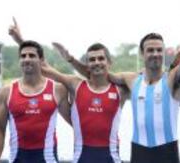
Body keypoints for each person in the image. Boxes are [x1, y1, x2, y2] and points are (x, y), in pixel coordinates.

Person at [71, 0, 180, 163]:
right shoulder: (131, 80)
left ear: (163, 52)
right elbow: (97, 72)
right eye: (150, 50)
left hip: (167, 152)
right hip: (139, 152)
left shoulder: (173, 80)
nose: (155, 54)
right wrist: (71, 60)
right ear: (142, 53)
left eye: (159, 50)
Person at [9, 21, 129, 163]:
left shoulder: (121, 90)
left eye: (101, 58)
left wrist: (71, 60)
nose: (97, 62)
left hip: (111, 158)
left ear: (110, 62)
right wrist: (21, 41)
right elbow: (43, 67)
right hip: (81, 158)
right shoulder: (75, 85)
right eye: (92, 60)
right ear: (87, 65)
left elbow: (147, 81)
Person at [0, 40, 71, 163]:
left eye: (32, 55)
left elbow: (76, 122)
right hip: (18, 159)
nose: (27, 59)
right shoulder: (7, 92)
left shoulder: (57, 89)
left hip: (47, 159)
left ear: (41, 60)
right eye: (23, 56)